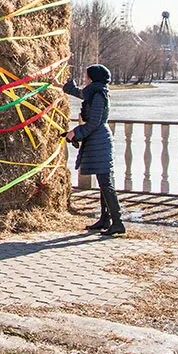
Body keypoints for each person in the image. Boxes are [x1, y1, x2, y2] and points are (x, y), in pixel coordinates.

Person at [58, 64, 124, 236]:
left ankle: (118, 222)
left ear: (93, 78)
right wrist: (67, 86)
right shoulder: (94, 92)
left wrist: (76, 133)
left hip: (100, 141)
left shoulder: (99, 95)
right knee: (104, 182)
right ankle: (105, 219)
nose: (85, 79)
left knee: (105, 182)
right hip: (97, 141)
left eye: (87, 76)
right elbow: (81, 93)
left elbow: (94, 123)